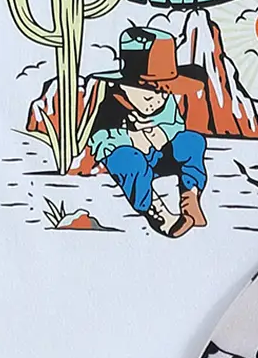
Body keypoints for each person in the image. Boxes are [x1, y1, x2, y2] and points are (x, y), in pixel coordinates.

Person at [87, 26, 208, 237]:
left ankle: (190, 197)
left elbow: (176, 125)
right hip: (131, 162)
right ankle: (158, 213)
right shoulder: (111, 105)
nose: (157, 101)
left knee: (192, 141)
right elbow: (100, 140)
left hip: (159, 155)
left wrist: (160, 134)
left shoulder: (165, 102)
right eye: (149, 95)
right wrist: (130, 138)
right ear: (124, 86)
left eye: (163, 93)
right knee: (129, 160)